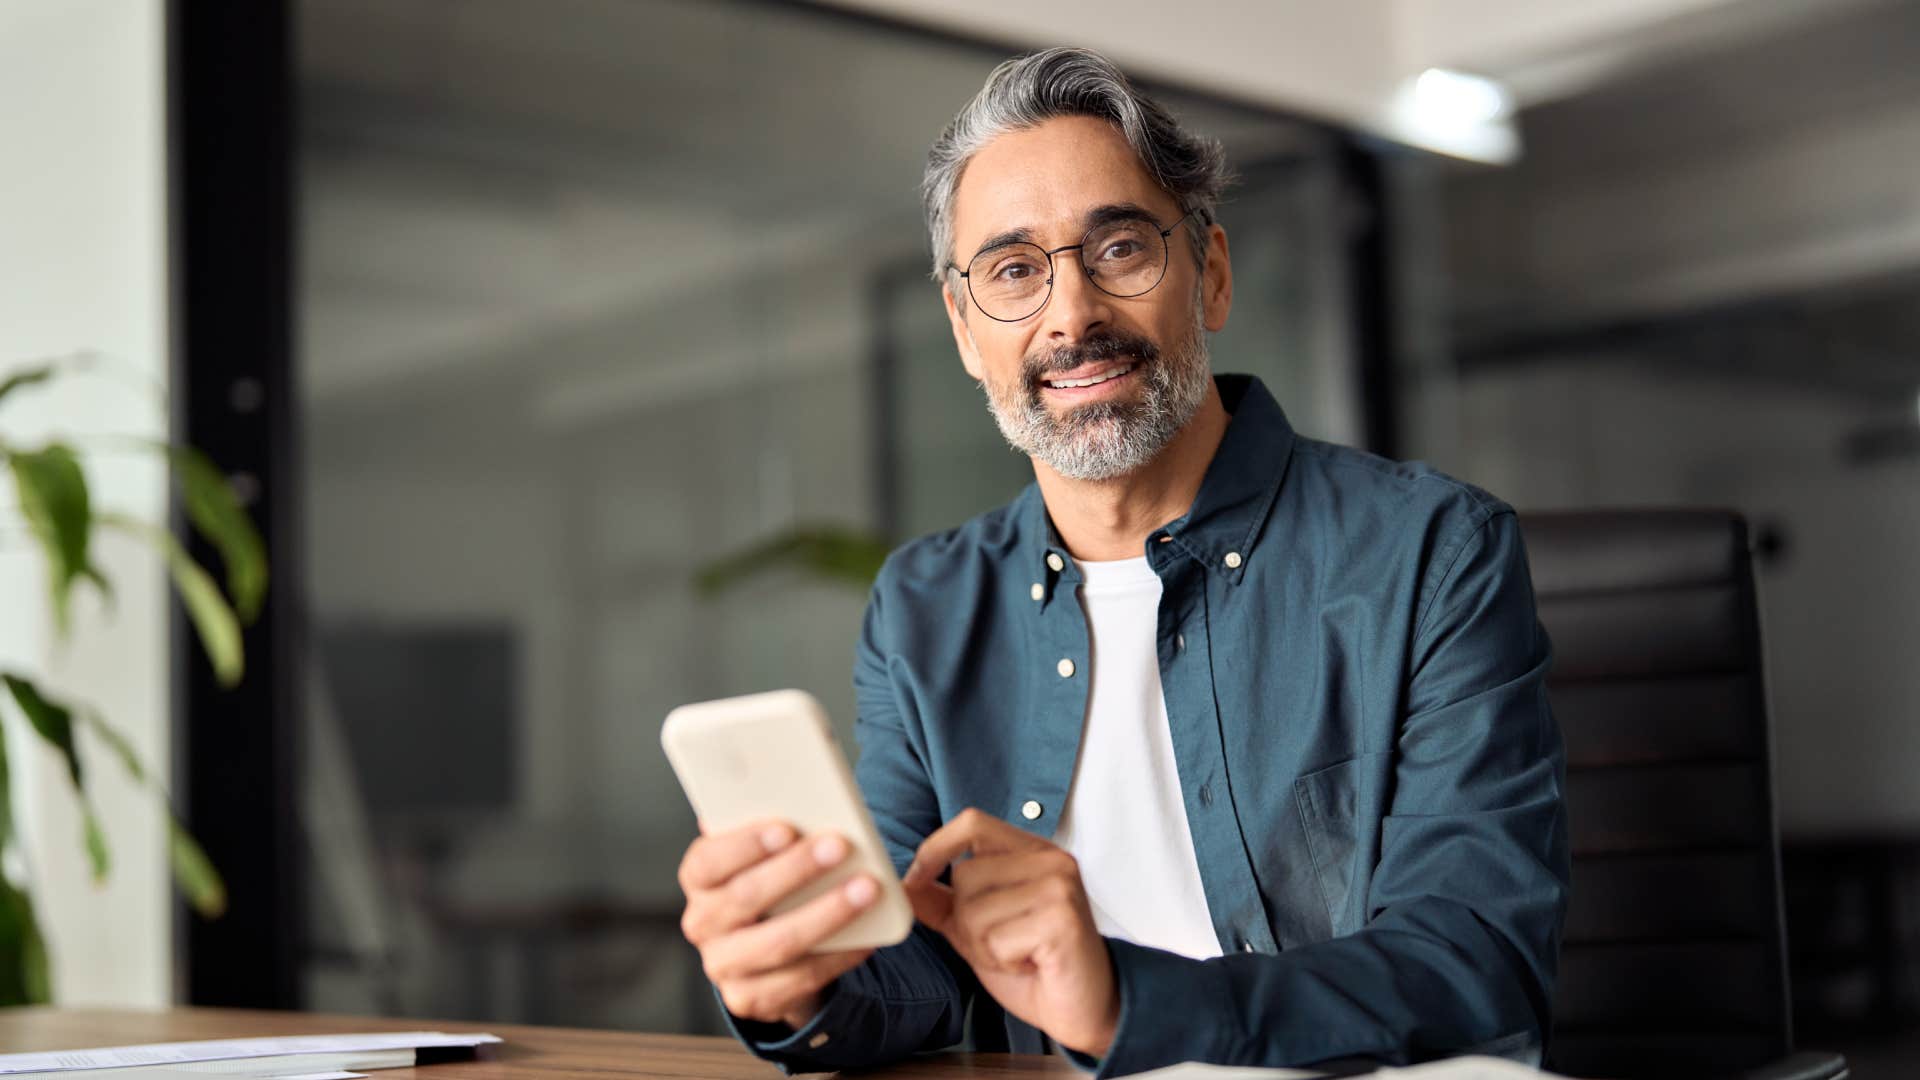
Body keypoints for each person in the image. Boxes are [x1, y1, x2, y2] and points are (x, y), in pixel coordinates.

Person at [676, 47, 1568, 1077]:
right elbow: (911, 973)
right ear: (965, 330)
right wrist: (802, 980)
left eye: (1120, 250)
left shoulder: (1430, 553)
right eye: (1013, 272)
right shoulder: (925, 606)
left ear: (1213, 274)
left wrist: (1125, 1003)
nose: (1071, 316)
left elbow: (1475, 964)